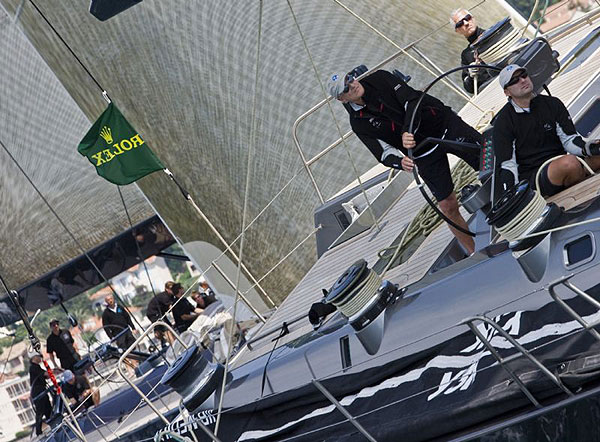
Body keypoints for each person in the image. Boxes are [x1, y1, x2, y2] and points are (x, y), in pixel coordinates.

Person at [327, 68, 482, 254]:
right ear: (342, 99)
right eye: (345, 88)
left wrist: (406, 131)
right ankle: (474, 251)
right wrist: (399, 162)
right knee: (447, 206)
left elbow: (411, 100)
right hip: (422, 152)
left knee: (487, 160)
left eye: (349, 79)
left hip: (444, 125)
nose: (352, 85)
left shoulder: (380, 78)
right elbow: (382, 153)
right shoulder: (358, 123)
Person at [492, 64, 600, 197]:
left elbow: (569, 139)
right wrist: (513, 196)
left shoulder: (552, 104)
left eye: (523, 75)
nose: (522, 80)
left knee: (583, 159)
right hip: (535, 178)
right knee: (570, 164)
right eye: (514, 80)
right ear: (507, 92)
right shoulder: (503, 122)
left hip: (563, 162)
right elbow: (508, 165)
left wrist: (588, 148)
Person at [450, 8, 492, 94]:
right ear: (457, 31)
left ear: (473, 18)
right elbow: (469, 88)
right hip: (490, 91)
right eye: (460, 23)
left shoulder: (494, 34)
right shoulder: (466, 55)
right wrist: (471, 75)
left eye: (468, 18)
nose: (466, 23)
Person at [29, 353, 52, 435]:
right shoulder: (33, 368)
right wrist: (51, 372)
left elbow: (45, 375)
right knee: (40, 411)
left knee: (48, 409)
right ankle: (38, 431)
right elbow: (44, 374)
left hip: (42, 390)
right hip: (38, 392)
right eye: (40, 357)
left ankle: (53, 423)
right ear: (34, 357)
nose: (41, 359)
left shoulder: (37, 367)